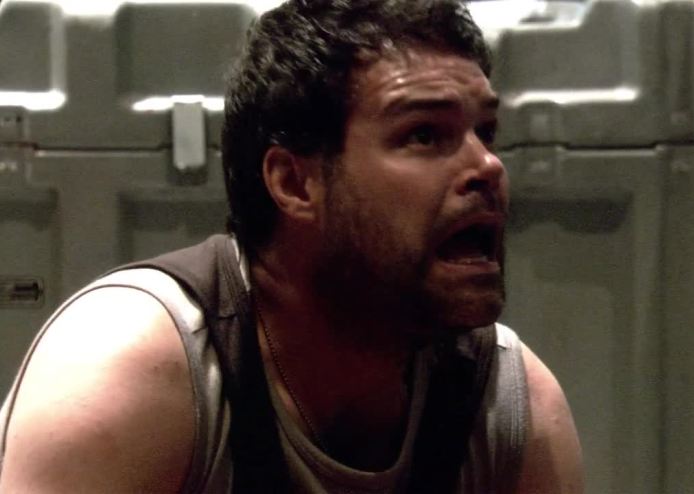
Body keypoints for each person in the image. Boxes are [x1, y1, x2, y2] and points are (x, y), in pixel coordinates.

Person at [0, 0, 583, 492]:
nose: (488, 167)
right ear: (294, 183)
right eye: (424, 134)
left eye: (486, 132)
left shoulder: (510, 406)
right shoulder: (128, 374)